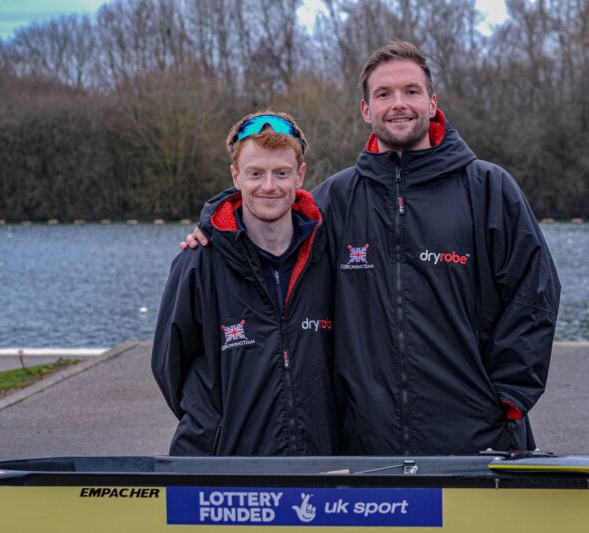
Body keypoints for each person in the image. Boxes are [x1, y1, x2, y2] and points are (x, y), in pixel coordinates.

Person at [184, 41, 560, 455]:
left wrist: (509, 398)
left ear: (432, 103)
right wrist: (211, 229)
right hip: (366, 447)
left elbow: (535, 294)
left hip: (477, 438)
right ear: (366, 110)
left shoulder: (488, 189)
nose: (399, 104)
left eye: (411, 91)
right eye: (384, 94)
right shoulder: (335, 201)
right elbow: (264, 229)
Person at [153, 111, 339, 456]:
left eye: (281, 173)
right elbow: (169, 367)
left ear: (300, 176)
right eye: (256, 173)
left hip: (320, 465)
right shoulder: (198, 262)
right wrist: (216, 429)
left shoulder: (329, 257)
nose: (269, 186)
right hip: (225, 470)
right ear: (236, 176)